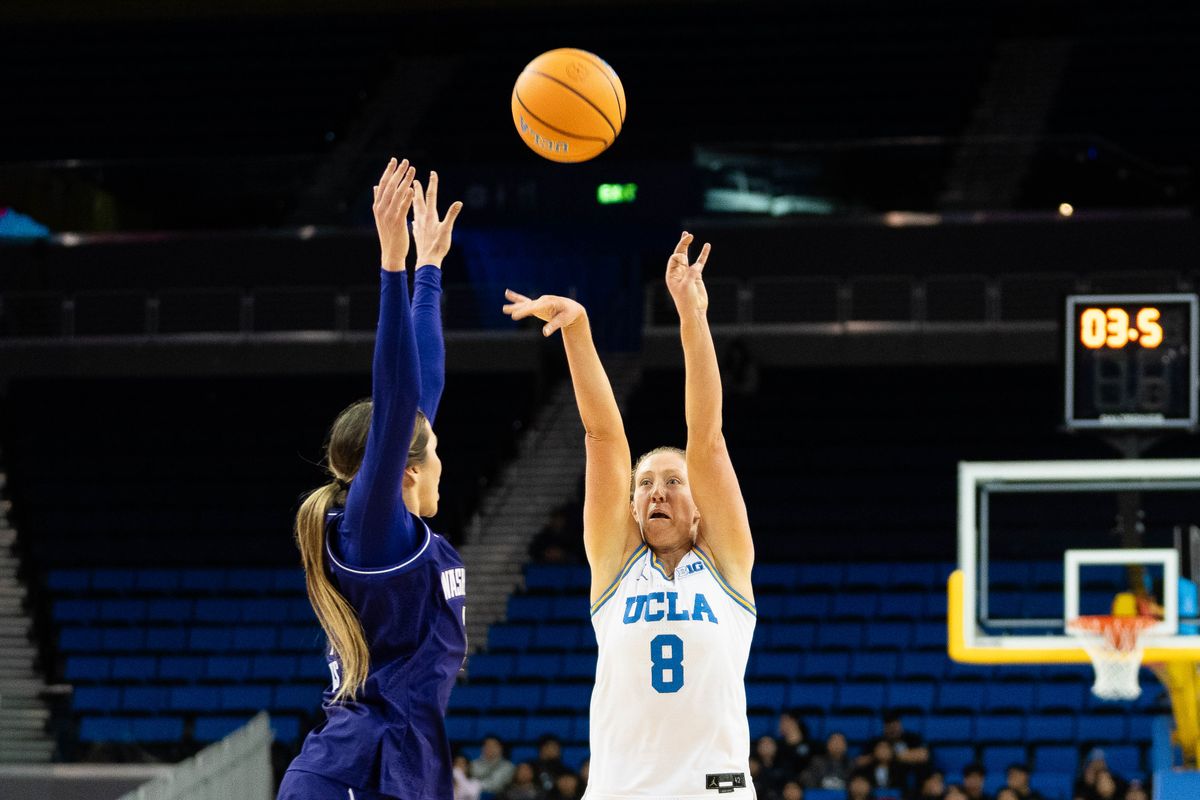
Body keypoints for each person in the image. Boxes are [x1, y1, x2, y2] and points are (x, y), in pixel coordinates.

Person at [502, 232, 756, 800]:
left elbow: (707, 437)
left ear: (700, 510)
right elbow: (601, 437)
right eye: (644, 485)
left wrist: (692, 315)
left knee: (704, 443)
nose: (657, 493)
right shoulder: (616, 567)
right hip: (622, 792)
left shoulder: (728, 567)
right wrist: (577, 330)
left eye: (672, 482)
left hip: (716, 791)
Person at [278, 159, 466, 800]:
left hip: (394, 768)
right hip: (356, 773)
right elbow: (402, 395)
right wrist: (393, 265)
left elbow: (421, 388)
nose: (444, 457)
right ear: (406, 468)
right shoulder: (371, 530)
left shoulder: (384, 523)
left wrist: (431, 271)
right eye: (433, 446)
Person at [859, 711, 930, 792]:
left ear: (900, 725)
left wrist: (892, 755)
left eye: (895, 725)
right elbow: (859, 762)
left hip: (905, 784)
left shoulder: (912, 738)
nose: (892, 730)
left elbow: (923, 755)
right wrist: (875, 756)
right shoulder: (875, 742)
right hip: (877, 785)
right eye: (889, 726)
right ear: (884, 727)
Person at [776, 711, 813, 777]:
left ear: (795, 722)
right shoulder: (778, 746)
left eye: (785, 721)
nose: (781, 725)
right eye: (781, 722)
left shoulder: (811, 745)